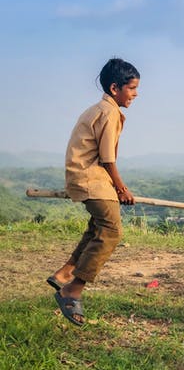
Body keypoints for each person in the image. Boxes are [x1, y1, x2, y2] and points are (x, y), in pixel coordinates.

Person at [46, 58, 140, 326]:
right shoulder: (109, 113)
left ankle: (65, 273)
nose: (135, 94)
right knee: (111, 231)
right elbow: (108, 157)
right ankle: (72, 290)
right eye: (131, 88)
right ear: (114, 88)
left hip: (83, 176)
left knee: (97, 228)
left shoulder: (97, 109)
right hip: (91, 179)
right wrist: (121, 188)